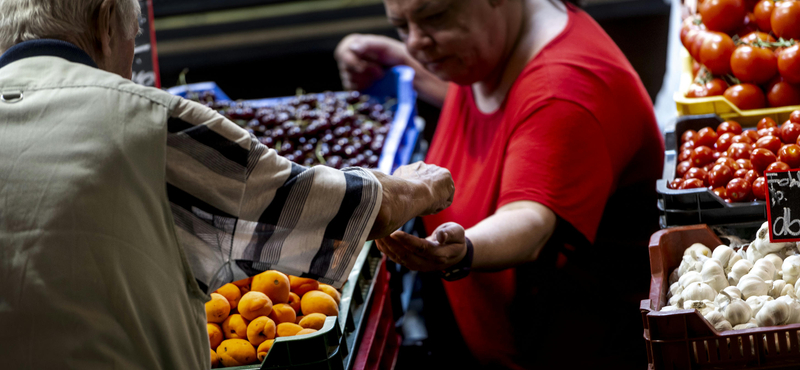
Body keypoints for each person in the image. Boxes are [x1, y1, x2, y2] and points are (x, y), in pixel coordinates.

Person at [0, 1, 454, 369]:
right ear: (104, 24)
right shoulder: (148, 119)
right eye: (131, 39)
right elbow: (333, 208)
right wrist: (422, 185)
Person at [336, 0, 665, 369]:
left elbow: (530, 221)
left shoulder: (566, 91)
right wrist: (399, 62)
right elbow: (502, 117)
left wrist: (462, 250)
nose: (414, 41)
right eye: (401, 26)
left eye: (433, 17)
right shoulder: (495, 46)